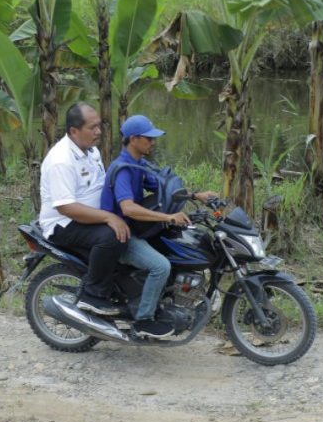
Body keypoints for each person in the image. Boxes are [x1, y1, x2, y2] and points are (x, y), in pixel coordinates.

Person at [100, 115, 218, 338]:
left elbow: (164, 188)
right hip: (120, 234)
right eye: (148, 138)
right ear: (133, 139)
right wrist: (167, 216)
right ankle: (144, 320)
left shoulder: (139, 164)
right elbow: (128, 209)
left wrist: (195, 195)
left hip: (135, 228)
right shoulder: (123, 169)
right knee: (160, 266)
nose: (153, 143)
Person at [39, 103, 130, 316]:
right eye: (93, 128)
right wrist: (109, 217)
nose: (98, 132)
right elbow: (66, 207)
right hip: (64, 224)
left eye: (99, 126)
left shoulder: (91, 151)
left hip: (87, 217)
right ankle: (94, 297)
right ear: (74, 131)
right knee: (111, 237)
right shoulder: (61, 160)